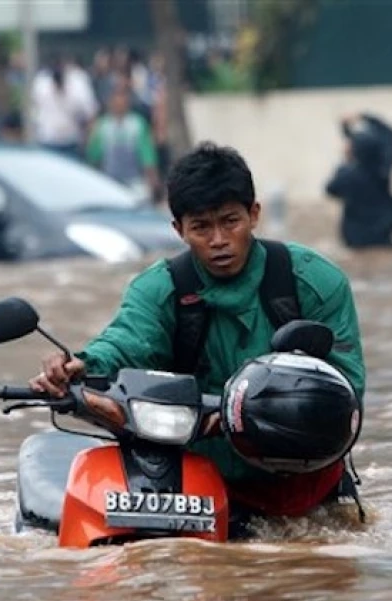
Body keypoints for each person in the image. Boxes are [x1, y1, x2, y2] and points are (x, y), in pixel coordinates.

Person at [30, 143, 366, 519]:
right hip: (200, 486)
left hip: (308, 485)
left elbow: (348, 387)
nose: (218, 240)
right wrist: (82, 365)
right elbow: (127, 340)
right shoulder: (159, 289)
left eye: (230, 221)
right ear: (179, 230)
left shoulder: (315, 281)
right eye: (201, 227)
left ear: (254, 215)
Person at [325, 113, 392, 249]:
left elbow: (330, 190)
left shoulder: (347, 174)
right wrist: (364, 117)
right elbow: (391, 135)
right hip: (383, 235)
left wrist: (345, 162)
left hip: (356, 238)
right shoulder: (382, 171)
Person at [86, 84, 159, 202]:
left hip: (135, 182)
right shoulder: (102, 126)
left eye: (122, 100)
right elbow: (94, 156)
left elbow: (147, 156)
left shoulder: (137, 124)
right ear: (110, 102)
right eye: (115, 100)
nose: (119, 104)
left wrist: (152, 179)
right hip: (109, 182)